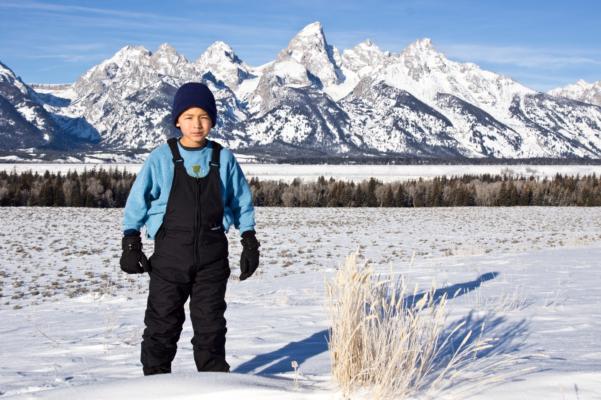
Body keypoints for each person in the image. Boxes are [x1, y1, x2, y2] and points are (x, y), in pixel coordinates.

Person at [119, 82, 260, 375]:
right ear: (177, 121)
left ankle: (213, 386)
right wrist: (131, 242)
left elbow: (241, 202)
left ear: (213, 121)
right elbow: (137, 201)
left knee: (211, 328)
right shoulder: (161, 158)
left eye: (204, 117)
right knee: (162, 325)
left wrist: (249, 240)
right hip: (170, 257)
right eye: (189, 117)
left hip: (212, 257)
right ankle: (155, 386)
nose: (197, 124)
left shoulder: (223, 158)